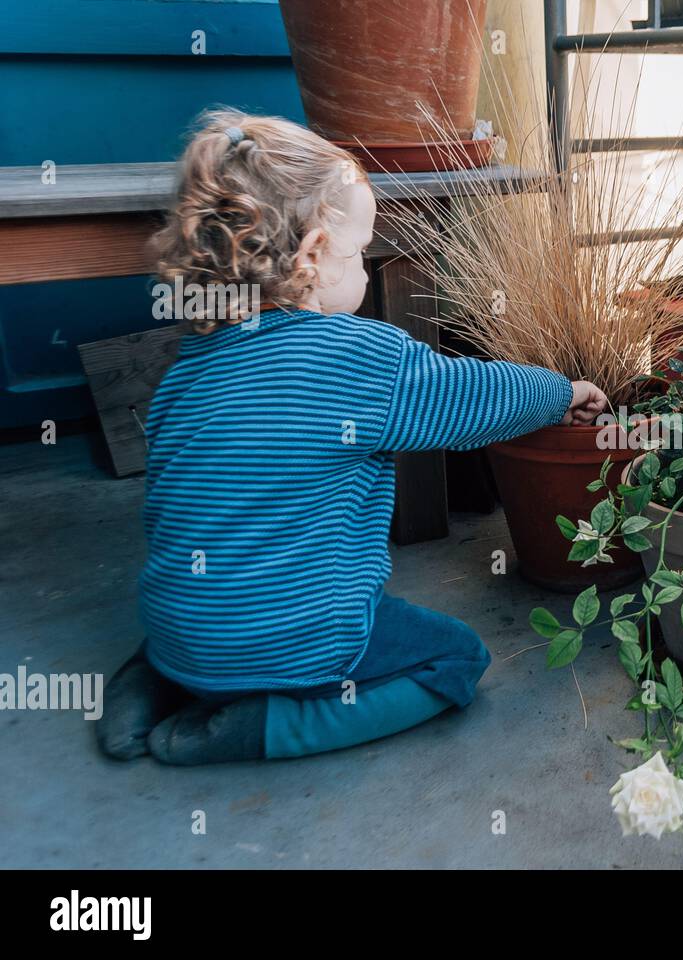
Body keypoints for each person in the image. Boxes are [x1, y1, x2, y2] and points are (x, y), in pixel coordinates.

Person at [97, 110, 607, 765]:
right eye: (361, 252)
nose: (365, 271)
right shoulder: (354, 358)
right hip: (304, 642)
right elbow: (473, 398)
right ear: (312, 257)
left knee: (207, 600)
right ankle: (263, 727)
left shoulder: (185, 368)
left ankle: (147, 683)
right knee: (455, 660)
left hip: (183, 629)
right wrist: (559, 392)